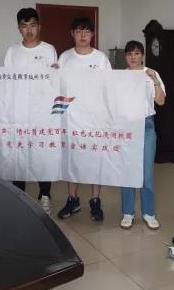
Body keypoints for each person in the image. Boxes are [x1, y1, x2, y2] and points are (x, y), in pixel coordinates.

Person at [56, 16, 111, 222]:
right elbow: (57, 85)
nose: (83, 35)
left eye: (87, 31)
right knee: (73, 159)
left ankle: (95, 201)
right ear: (72, 34)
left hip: (95, 118)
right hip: (71, 118)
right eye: (79, 31)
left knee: (95, 159)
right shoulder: (65, 57)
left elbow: (109, 87)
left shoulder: (101, 59)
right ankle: (73, 200)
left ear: (92, 34)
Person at [4, 7, 58, 213]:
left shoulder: (49, 50)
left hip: (42, 113)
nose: (29, 30)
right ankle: (19, 197)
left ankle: (45, 195)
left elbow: (54, 82)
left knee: (43, 154)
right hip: (18, 112)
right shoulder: (12, 51)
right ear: (19, 28)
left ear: (39, 27)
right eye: (24, 26)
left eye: (33, 25)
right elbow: (5, 81)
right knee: (19, 154)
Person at [119, 41, 165, 230]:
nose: (133, 57)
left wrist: (154, 80)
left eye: (137, 53)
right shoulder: (120, 77)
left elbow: (160, 101)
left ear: (142, 55)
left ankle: (149, 213)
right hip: (126, 127)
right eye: (129, 54)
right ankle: (128, 212)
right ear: (125, 56)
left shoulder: (151, 74)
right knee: (127, 171)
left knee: (146, 172)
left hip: (146, 126)